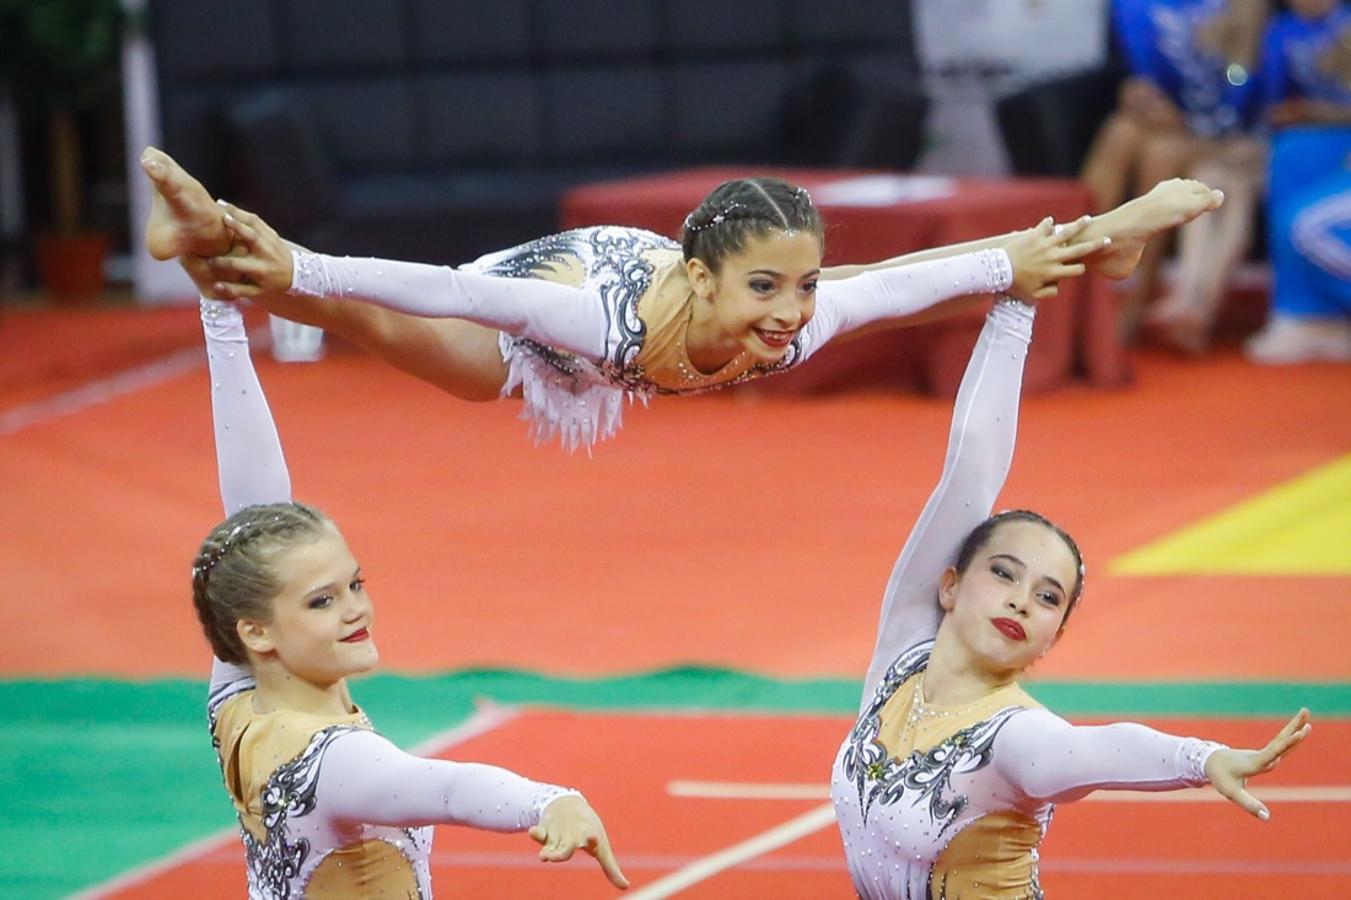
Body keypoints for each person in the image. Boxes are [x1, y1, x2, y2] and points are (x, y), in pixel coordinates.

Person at [142, 147, 1221, 450]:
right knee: (402, 334)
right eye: (765, 285)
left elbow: (920, 278)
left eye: (796, 282)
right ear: (701, 276)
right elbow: (427, 289)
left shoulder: (788, 313)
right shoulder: (579, 319)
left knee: (900, 295)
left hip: (659, 306)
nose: (789, 309)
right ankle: (239, 251)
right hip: (542, 299)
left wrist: (1082, 243)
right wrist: (304, 275)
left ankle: (1096, 246)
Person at [830, 293, 1311, 897]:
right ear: (948, 585)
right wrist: (1018, 302)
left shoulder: (1014, 742)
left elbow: (1100, 748)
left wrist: (1203, 758)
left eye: (1048, 597)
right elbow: (970, 471)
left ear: (1053, 638)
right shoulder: (901, 655)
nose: (1022, 600)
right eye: (1003, 573)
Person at [188, 255, 629, 895]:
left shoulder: (239, 702)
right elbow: (448, 788)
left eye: (354, 586)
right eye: (320, 602)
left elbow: (254, 519)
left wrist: (218, 306)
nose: (354, 610)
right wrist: (547, 801)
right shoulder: (334, 759)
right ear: (258, 633)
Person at [1082, 0, 1269, 333]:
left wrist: (1238, 52)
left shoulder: (1243, 8)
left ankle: (1138, 298)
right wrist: (1135, 93)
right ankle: (1077, 280)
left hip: (1223, 135)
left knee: (1161, 155)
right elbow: (1121, 72)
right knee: (1119, 133)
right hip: (1163, 121)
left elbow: (1243, 92)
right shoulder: (1130, 8)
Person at [1244, 0, 1351, 364]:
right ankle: (1305, 314)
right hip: (1336, 139)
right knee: (1290, 151)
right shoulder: (1284, 31)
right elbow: (1256, 94)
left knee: (1304, 225)